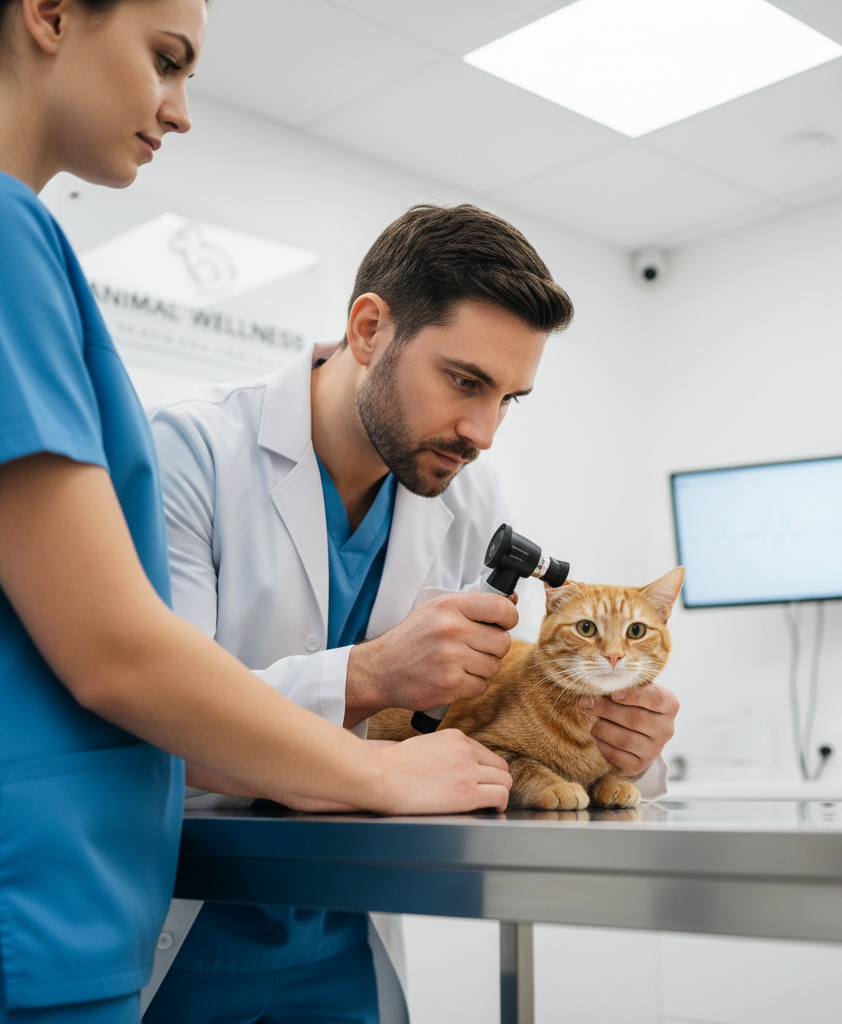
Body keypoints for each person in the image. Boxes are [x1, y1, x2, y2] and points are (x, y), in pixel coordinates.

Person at [0, 3, 512, 1021]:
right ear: (48, 12)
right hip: (44, 901)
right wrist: (376, 769)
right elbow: (117, 651)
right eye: (165, 59)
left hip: (94, 901)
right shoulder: (4, 233)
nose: (180, 112)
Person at [143, 204, 682, 1023]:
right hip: (187, 915)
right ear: (368, 329)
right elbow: (154, 720)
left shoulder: (467, 494)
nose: (484, 432)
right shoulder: (188, 455)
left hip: (347, 930)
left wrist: (628, 748)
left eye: (509, 399)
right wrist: (369, 675)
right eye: (466, 382)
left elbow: (484, 719)